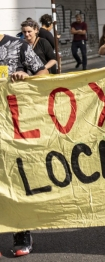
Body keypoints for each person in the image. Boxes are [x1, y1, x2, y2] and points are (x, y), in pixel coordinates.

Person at [0, 32, 48, 256]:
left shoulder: (17, 46)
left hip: (13, 126)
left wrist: (26, 77)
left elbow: (43, 73)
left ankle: (22, 235)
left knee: (15, 180)